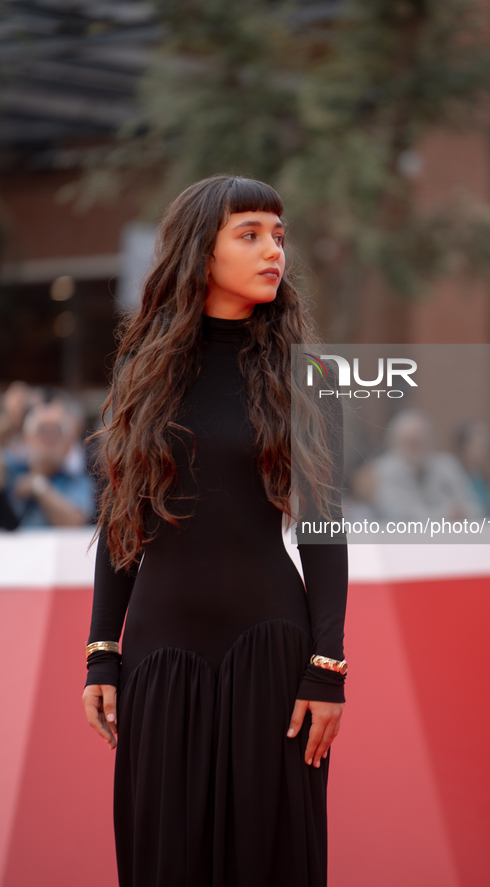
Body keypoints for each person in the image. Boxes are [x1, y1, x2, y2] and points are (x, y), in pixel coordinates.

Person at [81, 175, 348, 887]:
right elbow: (122, 521)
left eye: (278, 236)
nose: (272, 252)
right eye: (250, 234)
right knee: (166, 858)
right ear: (202, 252)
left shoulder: (311, 374)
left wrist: (328, 669)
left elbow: (324, 528)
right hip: (160, 658)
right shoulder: (141, 372)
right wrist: (102, 652)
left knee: (271, 860)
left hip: (272, 650)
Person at [369, 408, 483, 524]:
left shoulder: (447, 466)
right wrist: (446, 514)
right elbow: (399, 516)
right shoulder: (382, 471)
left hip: (451, 538)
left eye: (421, 441)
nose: (417, 448)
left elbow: (475, 508)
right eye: (411, 442)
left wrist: (461, 512)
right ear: (396, 442)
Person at [2, 396, 95, 528]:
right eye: (42, 429)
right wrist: (9, 421)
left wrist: (38, 486)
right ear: (27, 436)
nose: (49, 437)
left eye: (56, 430)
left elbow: (76, 522)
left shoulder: (78, 479)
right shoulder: (11, 468)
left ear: (68, 441)